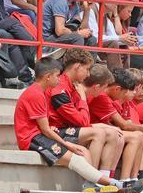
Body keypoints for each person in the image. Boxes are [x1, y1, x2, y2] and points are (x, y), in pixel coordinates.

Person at [14, 57, 129, 189]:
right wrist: (67, 144)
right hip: (31, 139)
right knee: (76, 159)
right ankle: (115, 184)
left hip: (39, 135)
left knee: (83, 153)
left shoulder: (40, 92)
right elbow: (45, 130)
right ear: (48, 76)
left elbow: (44, 125)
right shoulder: (35, 94)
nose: (59, 78)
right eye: (57, 76)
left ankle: (91, 185)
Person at [46, 52, 125, 183]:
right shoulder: (60, 89)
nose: (88, 74)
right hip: (55, 132)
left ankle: (106, 177)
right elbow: (82, 121)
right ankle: (93, 181)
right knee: (98, 134)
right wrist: (83, 98)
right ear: (77, 66)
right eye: (87, 69)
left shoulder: (73, 85)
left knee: (113, 134)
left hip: (68, 128)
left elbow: (82, 120)